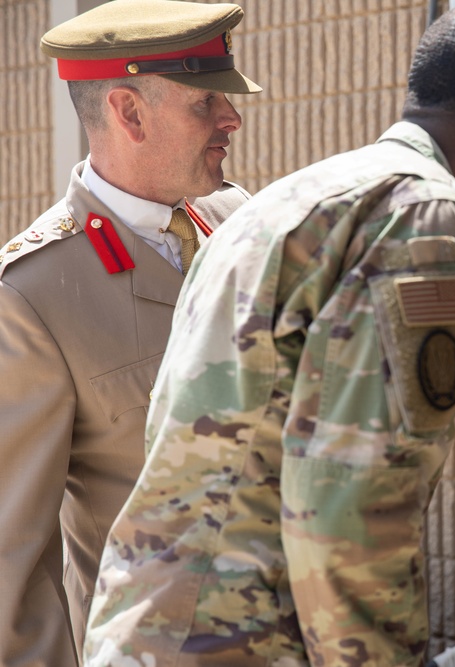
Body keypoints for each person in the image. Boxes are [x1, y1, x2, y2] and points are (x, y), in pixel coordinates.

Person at [83, 3, 455, 666]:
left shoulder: (284, 203)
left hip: (150, 632)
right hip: (247, 641)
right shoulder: (434, 218)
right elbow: (350, 510)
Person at [0, 2, 260, 664]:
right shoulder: (31, 294)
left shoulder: (244, 221)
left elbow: (370, 303)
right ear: (130, 112)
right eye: (208, 103)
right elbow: (13, 571)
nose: (232, 119)